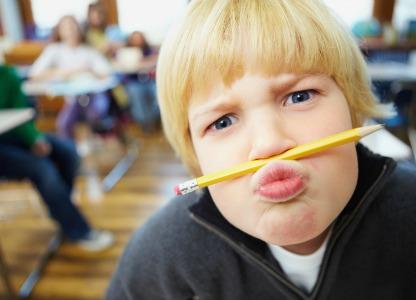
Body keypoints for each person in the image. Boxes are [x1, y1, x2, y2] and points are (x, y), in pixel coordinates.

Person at [106, 0, 416, 299]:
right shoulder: (165, 250)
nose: (269, 144)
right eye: (223, 121)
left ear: (352, 109)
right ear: (197, 158)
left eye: (300, 97)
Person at [0, 11, 114, 252]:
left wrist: (34, 138)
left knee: (68, 153)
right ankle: (78, 228)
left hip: (16, 137)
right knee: (42, 169)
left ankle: (61, 210)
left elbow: (21, 113)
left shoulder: (5, 74)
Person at [29, 15, 113, 139]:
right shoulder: (54, 50)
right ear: (59, 31)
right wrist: (65, 72)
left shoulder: (88, 50)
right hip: (70, 99)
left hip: (93, 97)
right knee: (64, 124)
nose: (71, 30)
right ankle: (73, 151)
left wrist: (88, 71)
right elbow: (34, 74)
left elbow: (106, 73)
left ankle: (92, 137)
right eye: (66, 27)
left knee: (93, 111)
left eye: (73, 26)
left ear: (79, 29)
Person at [120, 31, 159, 132]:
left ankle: (155, 118)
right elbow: (125, 67)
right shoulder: (126, 52)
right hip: (134, 81)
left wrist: (142, 62)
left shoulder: (149, 50)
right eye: (135, 39)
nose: (138, 41)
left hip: (149, 80)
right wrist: (143, 63)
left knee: (157, 92)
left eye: (139, 38)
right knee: (136, 94)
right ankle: (144, 121)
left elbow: (156, 60)